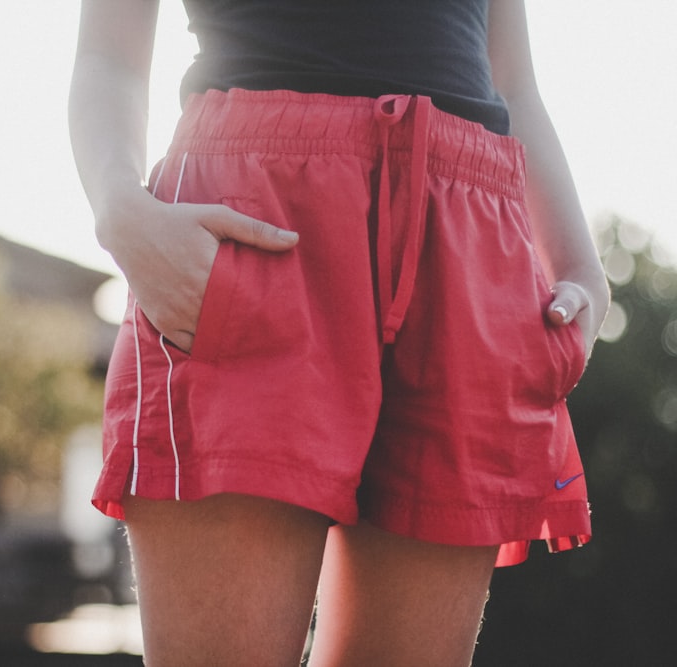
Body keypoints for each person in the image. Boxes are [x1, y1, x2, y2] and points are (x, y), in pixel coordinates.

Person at [68, 1, 610, 665]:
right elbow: (108, 54)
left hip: (469, 234)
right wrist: (119, 211)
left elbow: (511, 79)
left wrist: (581, 264)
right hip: (259, 211)